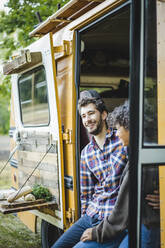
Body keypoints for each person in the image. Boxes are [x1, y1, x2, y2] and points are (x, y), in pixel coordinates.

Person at [77, 101, 160, 248]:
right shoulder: (143, 151)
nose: (117, 133)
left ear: (130, 127)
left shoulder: (140, 161)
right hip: (123, 220)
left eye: (117, 128)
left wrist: (97, 232)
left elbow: (123, 210)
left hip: (144, 225)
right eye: (83, 116)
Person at [51, 90, 128, 248]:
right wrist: (85, 220)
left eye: (91, 113)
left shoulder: (122, 141)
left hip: (112, 218)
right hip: (92, 214)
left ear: (104, 115)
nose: (87, 120)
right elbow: (85, 194)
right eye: (84, 116)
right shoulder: (86, 153)